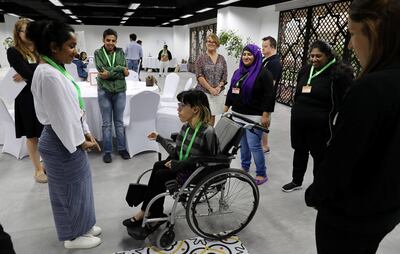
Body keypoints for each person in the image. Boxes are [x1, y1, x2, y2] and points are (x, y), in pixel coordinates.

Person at [305, 0, 400, 253]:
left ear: (374, 32)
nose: (349, 44)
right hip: (386, 208)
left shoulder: (371, 88)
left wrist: (315, 194)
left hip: (350, 215)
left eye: (353, 34)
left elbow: (342, 160)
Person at [27, 20, 102, 249]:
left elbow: (73, 108)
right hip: (62, 140)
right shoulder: (48, 74)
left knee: (81, 186)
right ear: (53, 46)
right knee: (68, 191)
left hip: (70, 136)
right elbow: (61, 117)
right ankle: (72, 236)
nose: (75, 51)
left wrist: (86, 132)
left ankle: (84, 225)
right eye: (70, 46)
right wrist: (80, 141)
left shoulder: (55, 69)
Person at [123, 89, 219, 229]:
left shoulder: (208, 132)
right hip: (183, 166)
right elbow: (176, 153)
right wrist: (160, 139)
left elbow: (210, 161)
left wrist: (180, 164)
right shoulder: (186, 128)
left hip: (196, 172)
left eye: (182, 106)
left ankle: (147, 211)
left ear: (195, 110)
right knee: (157, 166)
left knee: (161, 175)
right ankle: (152, 211)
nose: (178, 109)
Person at [281, 40, 353, 192]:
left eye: (318, 56)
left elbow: (346, 101)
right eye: (312, 56)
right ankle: (296, 181)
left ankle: (318, 186)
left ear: (328, 55)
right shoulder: (306, 70)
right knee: (299, 150)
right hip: (299, 122)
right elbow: (298, 94)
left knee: (319, 156)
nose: (314, 59)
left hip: (321, 126)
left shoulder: (338, 74)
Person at [224, 44, 274, 185]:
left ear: (256, 56)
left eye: (249, 54)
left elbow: (269, 96)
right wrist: (226, 108)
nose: (246, 57)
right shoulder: (238, 72)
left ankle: (261, 173)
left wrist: (265, 115)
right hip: (237, 114)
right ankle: (244, 167)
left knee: (254, 146)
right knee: (243, 145)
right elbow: (230, 91)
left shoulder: (264, 74)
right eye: (244, 54)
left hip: (254, 117)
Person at [6, 18, 46, 183]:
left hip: (42, 94)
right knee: (32, 135)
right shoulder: (13, 51)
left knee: (45, 132)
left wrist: (29, 71)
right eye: (24, 30)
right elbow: (27, 72)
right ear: (18, 33)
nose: (28, 33)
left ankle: (46, 163)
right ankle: (38, 169)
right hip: (25, 98)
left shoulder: (39, 48)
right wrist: (36, 69)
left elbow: (52, 66)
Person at [95, 29, 130, 163]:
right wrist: (120, 69)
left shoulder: (120, 52)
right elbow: (101, 69)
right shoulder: (98, 53)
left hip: (120, 90)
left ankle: (121, 148)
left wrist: (110, 73)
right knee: (106, 123)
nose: (111, 43)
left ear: (116, 41)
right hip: (104, 90)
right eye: (108, 40)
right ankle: (107, 151)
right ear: (103, 40)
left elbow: (125, 71)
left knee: (119, 122)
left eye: (113, 40)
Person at [195, 33, 227, 126]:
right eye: (209, 41)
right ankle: (200, 137)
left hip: (218, 92)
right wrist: (210, 89)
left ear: (217, 44)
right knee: (203, 115)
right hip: (204, 92)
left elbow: (224, 75)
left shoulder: (222, 59)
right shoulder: (201, 58)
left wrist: (218, 87)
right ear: (206, 43)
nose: (211, 43)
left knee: (212, 116)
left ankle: (209, 136)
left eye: (213, 42)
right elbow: (199, 76)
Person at [261, 36, 283, 153]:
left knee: (265, 121)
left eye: (265, 46)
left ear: (273, 47)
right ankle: (263, 144)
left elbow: (271, 84)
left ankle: (265, 145)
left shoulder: (274, 63)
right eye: (262, 46)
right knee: (261, 121)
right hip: (261, 96)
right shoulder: (266, 60)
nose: (262, 49)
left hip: (267, 97)